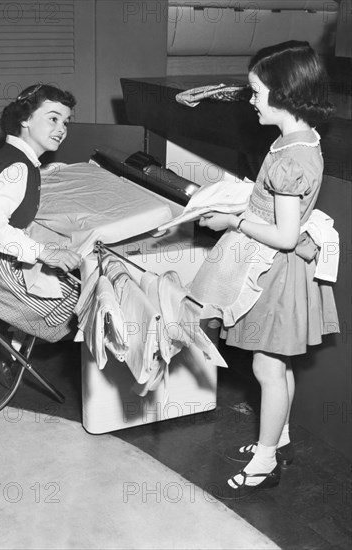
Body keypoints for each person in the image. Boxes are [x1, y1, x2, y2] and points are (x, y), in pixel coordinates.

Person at [190, 41, 339, 499]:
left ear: (284, 93)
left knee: (266, 367)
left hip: (275, 271)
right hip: (281, 271)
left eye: (256, 92)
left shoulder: (292, 158)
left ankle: (265, 461)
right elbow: (278, 211)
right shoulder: (299, 138)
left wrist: (233, 219)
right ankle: (281, 439)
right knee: (277, 365)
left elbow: (286, 236)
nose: (251, 100)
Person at [0, 84, 82, 383]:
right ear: (25, 119)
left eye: (65, 121)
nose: (62, 128)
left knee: (61, 274)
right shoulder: (19, 168)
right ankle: (14, 345)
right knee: (84, 302)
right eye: (53, 118)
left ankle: (13, 339)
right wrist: (44, 252)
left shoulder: (3, 157)